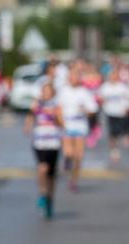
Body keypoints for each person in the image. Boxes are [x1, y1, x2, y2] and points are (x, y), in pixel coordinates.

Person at [24, 81, 64, 219]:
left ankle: (50, 200)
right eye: (44, 91)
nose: (46, 94)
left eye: (48, 91)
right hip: (39, 142)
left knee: (51, 176)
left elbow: (62, 124)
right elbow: (29, 117)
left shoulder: (57, 106)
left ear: (52, 93)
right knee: (42, 169)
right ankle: (42, 193)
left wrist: (55, 116)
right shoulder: (37, 104)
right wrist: (28, 126)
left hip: (53, 143)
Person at [57, 66, 97, 193]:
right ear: (69, 77)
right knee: (69, 153)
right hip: (67, 125)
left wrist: (85, 110)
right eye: (72, 76)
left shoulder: (84, 92)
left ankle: (73, 181)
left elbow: (92, 109)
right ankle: (67, 161)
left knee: (78, 157)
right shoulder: (63, 91)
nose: (74, 79)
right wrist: (61, 123)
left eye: (76, 76)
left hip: (80, 126)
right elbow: (58, 108)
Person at [98, 66, 129, 163]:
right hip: (109, 112)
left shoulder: (122, 87)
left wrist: (127, 108)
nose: (113, 77)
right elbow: (100, 98)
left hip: (120, 113)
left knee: (118, 133)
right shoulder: (105, 87)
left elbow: (128, 98)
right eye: (112, 75)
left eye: (115, 75)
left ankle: (116, 147)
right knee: (112, 133)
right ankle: (114, 151)